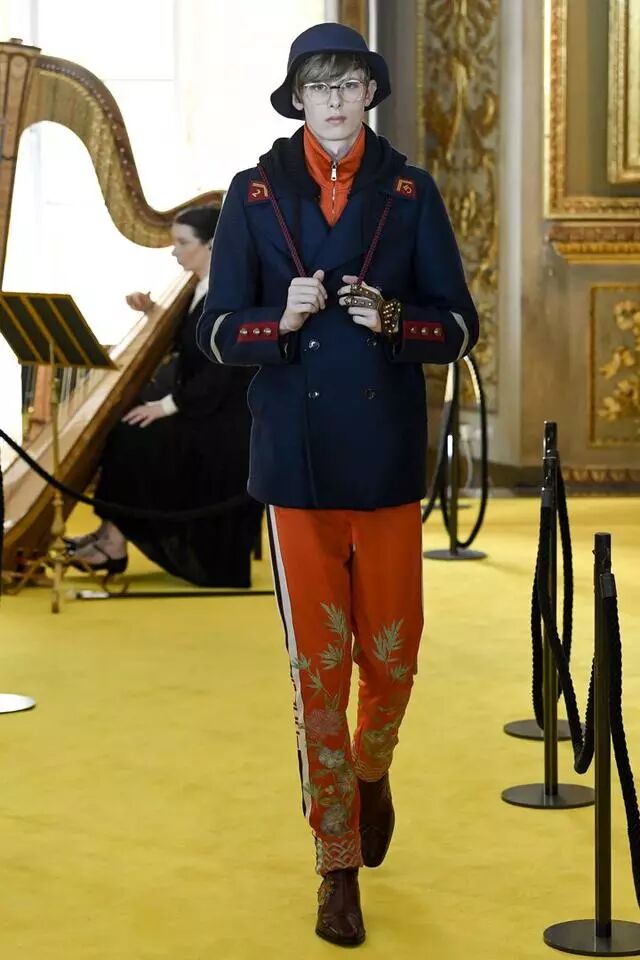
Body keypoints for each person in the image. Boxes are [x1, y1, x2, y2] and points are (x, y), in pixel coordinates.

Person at [197, 23, 479, 946]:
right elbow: (215, 329)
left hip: (386, 458)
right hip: (295, 465)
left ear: (368, 95)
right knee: (317, 671)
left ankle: (371, 769)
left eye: (348, 84)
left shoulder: (411, 191)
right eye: (316, 86)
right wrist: (275, 322)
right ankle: (336, 864)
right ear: (296, 99)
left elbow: (460, 326)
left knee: (391, 660)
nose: (332, 100)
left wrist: (393, 318)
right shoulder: (252, 193)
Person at [70, 206, 261, 588]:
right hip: (206, 407)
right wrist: (153, 312)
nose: (175, 252)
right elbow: (192, 344)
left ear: (213, 245)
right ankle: (111, 534)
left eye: (182, 243)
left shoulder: (232, 294)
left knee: (133, 435)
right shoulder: (202, 287)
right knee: (128, 424)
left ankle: (114, 540)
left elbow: (221, 374)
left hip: (226, 422)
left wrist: (167, 406)